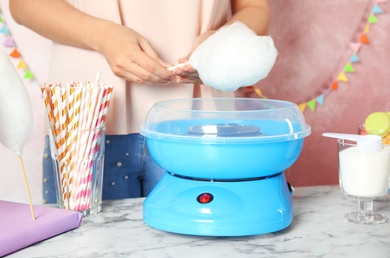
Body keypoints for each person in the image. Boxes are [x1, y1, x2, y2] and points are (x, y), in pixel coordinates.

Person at [9, 0, 270, 203]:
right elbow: (24, 5)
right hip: (83, 122)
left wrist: (221, 42)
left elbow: (254, 6)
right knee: (80, 247)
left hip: (202, 124)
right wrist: (103, 36)